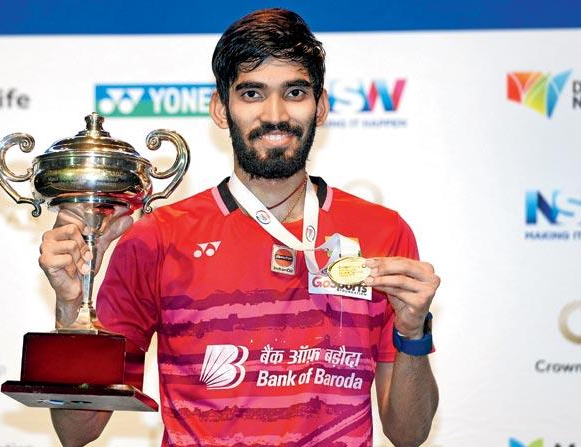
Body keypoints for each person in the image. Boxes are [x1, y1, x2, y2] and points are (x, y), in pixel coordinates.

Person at [40, 8, 439, 447]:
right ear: (220, 107)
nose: (274, 114)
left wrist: (412, 332)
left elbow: (408, 433)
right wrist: (71, 312)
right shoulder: (157, 237)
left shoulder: (383, 232)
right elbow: (78, 430)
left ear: (321, 106)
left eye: (294, 92)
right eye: (251, 93)